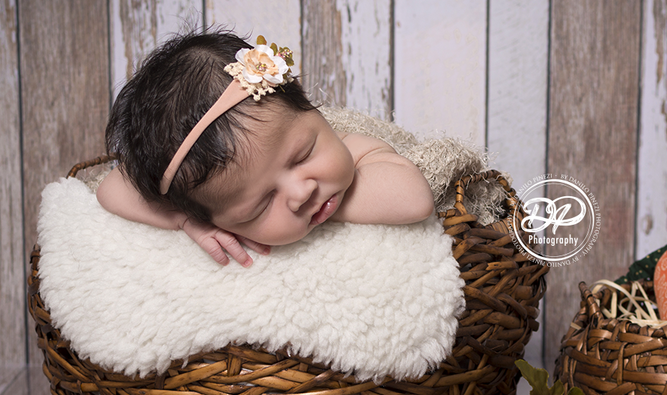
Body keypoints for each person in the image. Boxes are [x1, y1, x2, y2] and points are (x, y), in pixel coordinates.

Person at [97, 28, 435, 267]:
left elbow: (414, 199)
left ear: (308, 106)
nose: (301, 192)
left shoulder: (356, 147)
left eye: (302, 155)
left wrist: (327, 207)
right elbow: (110, 188)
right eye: (259, 206)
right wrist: (188, 219)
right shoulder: (207, 205)